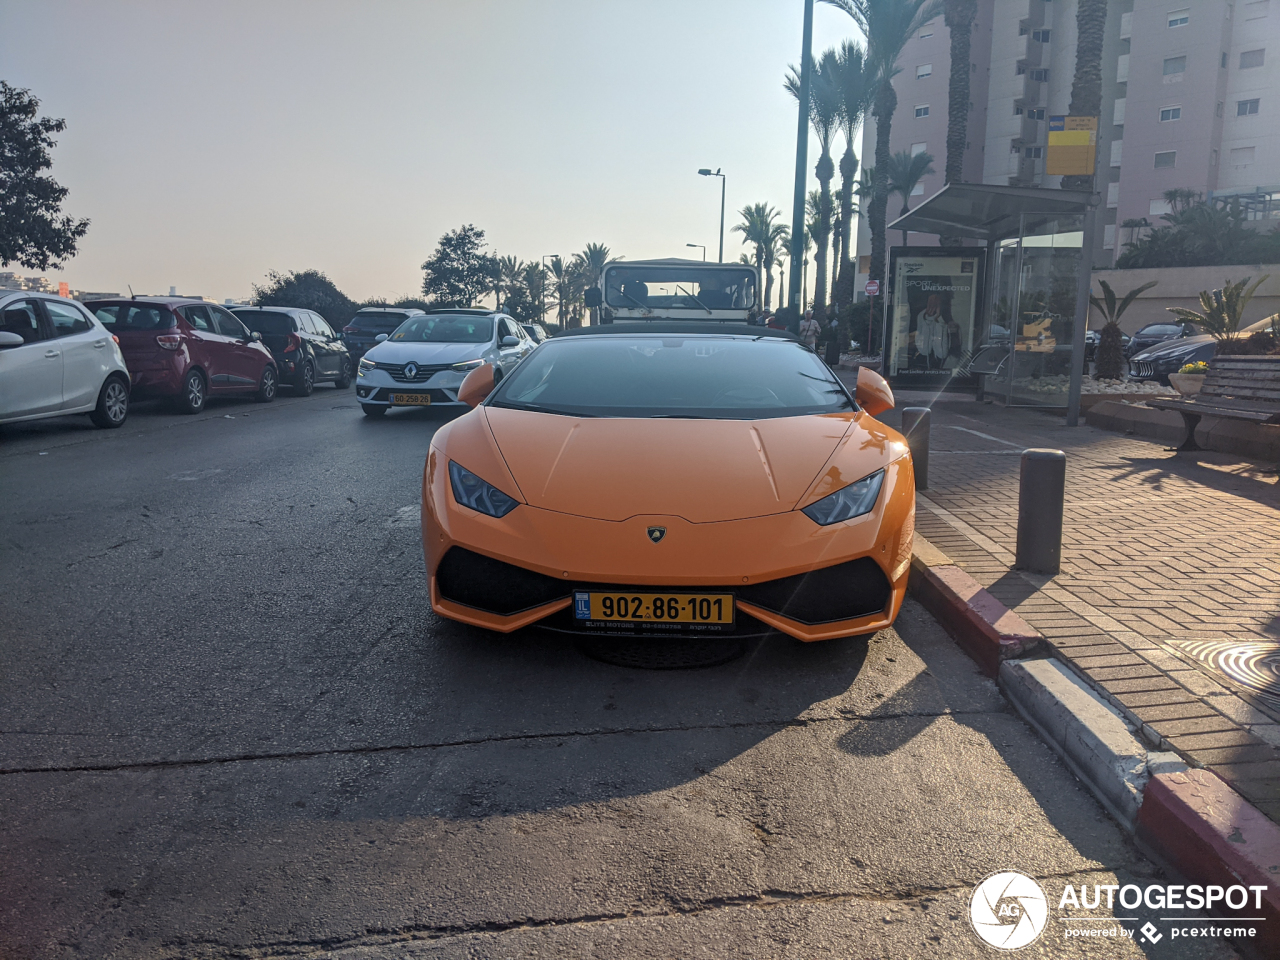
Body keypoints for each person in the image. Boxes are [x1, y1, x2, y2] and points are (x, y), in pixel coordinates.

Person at [915, 294, 950, 370]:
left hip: (941, 359)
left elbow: (942, 352)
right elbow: (921, 343)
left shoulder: (944, 316)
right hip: (925, 357)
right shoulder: (922, 316)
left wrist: (940, 321)